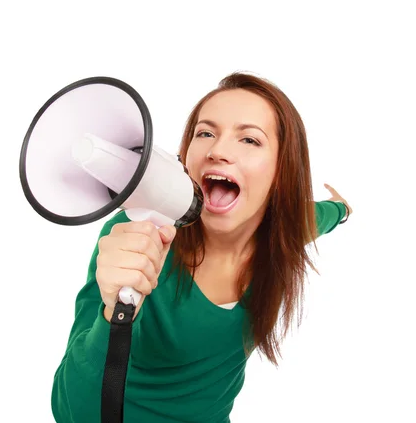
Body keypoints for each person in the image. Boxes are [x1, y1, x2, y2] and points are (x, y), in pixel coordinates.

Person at [51, 72, 352, 422]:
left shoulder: (284, 232)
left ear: (282, 172)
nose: (218, 151)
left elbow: (321, 216)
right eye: (205, 133)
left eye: (250, 140)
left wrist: (343, 209)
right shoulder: (136, 236)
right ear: (184, 156)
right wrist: (114, 313)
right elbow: (71, 410)